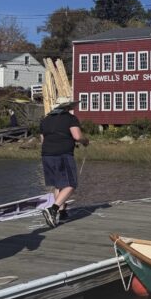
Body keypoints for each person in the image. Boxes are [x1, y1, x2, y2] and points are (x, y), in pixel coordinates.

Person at [39, 96, 89, 228]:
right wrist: (85, 141)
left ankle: (61, 212)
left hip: (46, 155)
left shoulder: (45, 120)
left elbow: (43, 140)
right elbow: (77, 136)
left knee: (58, 185)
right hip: (63, 154)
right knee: (71, 184)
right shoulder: (70, 119)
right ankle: (53, 209)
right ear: (67, 107)